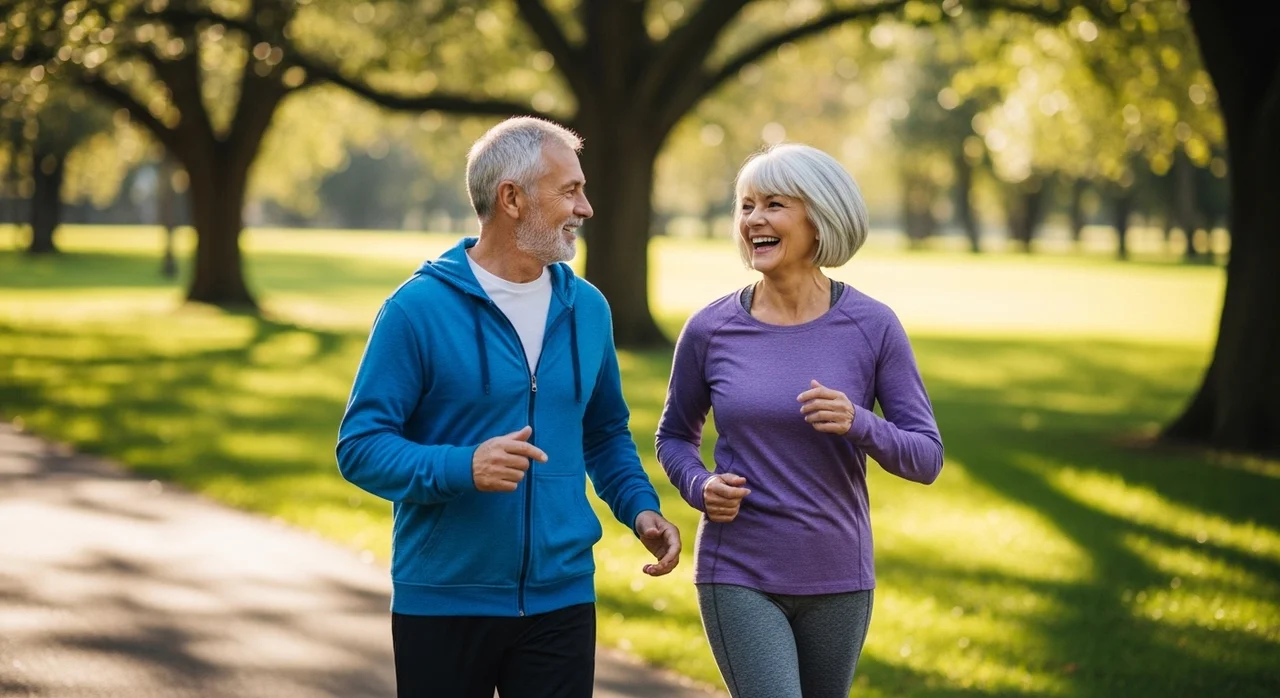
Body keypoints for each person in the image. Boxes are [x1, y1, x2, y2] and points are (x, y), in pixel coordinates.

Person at [337, 116, 681, 698]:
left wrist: (640, 508)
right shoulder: (416, 309)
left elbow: (603, 433)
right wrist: (461, 467)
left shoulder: (588, 309)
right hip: (443, 599)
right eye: (570, 190)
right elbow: (361, 447)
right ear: (512, 198)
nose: (587, 208)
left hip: (563, 596)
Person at [655, 143, 943, 698]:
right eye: (746, 206)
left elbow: (926, 457)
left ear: (819, 219)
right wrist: (700, 485)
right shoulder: (710, 329)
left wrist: (859, 422)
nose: (754, 220)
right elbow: (673, 436)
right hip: (737, 569)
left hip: (838, 574)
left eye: (773, 205)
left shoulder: (872, 326)